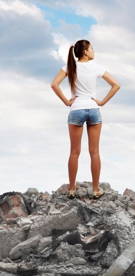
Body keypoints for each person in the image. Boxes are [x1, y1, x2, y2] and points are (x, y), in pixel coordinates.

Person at [50, 39, 120, 199]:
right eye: (92, 49)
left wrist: (66, 101)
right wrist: (102, 102)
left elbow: (54, 84)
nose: (94, 51)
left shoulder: (69, 67)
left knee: (74, 152)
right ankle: (96, 190)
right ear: (85, 52)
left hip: (76, 109)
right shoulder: (97, 67)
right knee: (94, 152)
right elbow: (116, 85)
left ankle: (72, 189)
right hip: (94, 109)